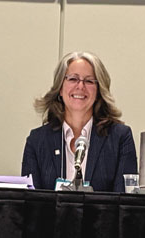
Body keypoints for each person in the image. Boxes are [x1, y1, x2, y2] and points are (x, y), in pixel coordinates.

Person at [21, 51, 137, 192]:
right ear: (60, 89)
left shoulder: (119, 138)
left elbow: (125, 204)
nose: (80, 87)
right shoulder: (37, 140)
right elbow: (29, 203)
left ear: (99, 91)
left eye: (89, 81)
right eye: (73, 79)